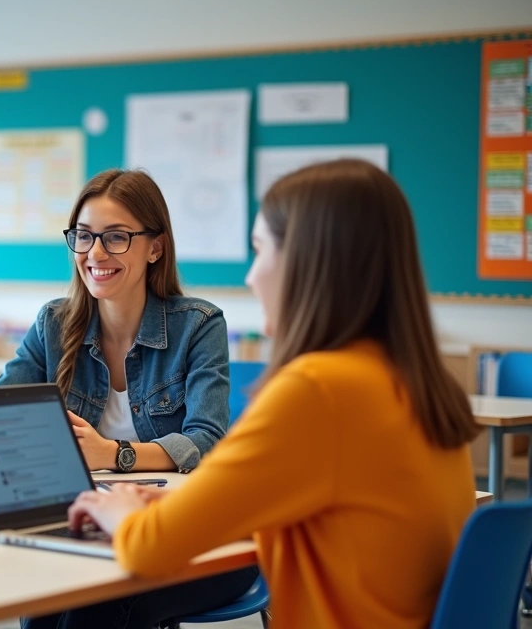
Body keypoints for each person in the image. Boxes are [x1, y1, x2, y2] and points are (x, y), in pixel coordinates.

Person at [67, 159, 480, 628]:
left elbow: (148, 548)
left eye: (260, 251)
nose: (251, 276)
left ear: (308, 261)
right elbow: (255, 499)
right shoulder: (413, 382)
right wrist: (154, 503)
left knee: (87, 602)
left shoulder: (319, 391)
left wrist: (119, 507)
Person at [0, 168, 255, 628]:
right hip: (87, 523)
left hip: (186, 531)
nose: (95, 253)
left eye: (115, 238)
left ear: (156, 246)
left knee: (95, 604)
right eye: (84, 236)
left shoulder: (199, 325)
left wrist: (115, 454)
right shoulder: (54, 323)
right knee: (43, 599)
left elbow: (207, 440)